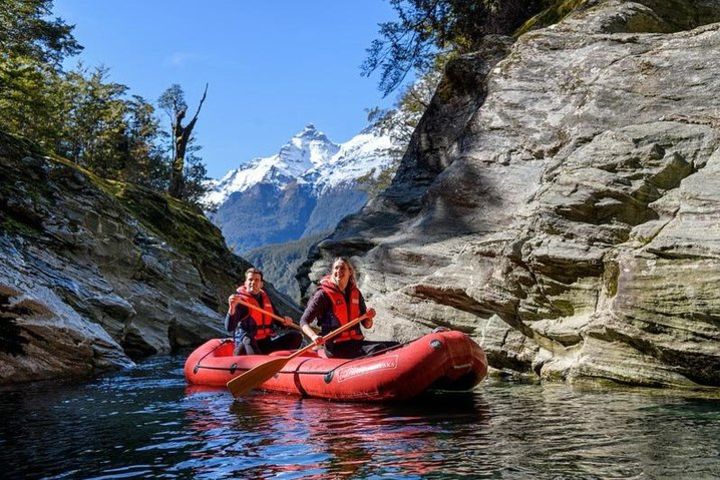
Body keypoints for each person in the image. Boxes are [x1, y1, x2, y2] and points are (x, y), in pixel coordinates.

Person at [300, 257, 399, 359]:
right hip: (335, 347)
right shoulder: (322, 295)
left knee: (396, 345)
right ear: (332, 271)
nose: (339, 271)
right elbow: (303, 321)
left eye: (342, 268)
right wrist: (314, 336)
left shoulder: (355, 293)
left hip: (355, 342)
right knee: (377, 349)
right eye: (336, 268)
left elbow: (367, 325)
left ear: (350, 272)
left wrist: (369, 318)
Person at [225, 268, 302, 355]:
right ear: (245, 283)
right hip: (246, 347)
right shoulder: (241, 301)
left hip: (265, 343)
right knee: (248, 338)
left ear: (261, 284)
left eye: (256, 280)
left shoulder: (265, 299)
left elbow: (277, 320)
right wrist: (232, 308)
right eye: (250, 279)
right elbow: (229, 328)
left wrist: (285, 321)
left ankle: (277, 360)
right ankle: (259, 364)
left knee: (295, 336)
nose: (253, 282)